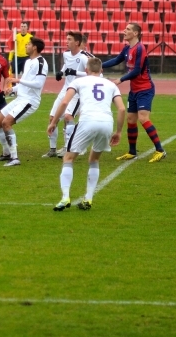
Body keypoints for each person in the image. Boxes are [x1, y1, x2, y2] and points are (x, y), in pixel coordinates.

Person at [48, 57, 126, 211]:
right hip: (106, 123)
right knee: (94, 159)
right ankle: (88, 199)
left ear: (86, 70)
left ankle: (65, 198)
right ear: (102, 70)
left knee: (68, 158)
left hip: (87, 120)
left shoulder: (78, 81)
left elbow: (64, 102)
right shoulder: (111, 85)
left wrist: (54, 122)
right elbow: (122, 109)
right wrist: (118, 132)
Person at [102, 23, 166, 163]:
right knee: (131, 119)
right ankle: (132, 151)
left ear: (136, 33)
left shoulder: (140, 48)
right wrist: (99, 65)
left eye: (128, 29)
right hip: (134, 90)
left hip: (145, 89)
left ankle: (160, 150)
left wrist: (120, 79)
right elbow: (116, 60)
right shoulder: (127, 48)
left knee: (143, 118)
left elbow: (137, 70)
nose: (124, 31)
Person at [0, 37, 47, 167]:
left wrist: (18, 81)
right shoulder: (28, 62)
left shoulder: (41, 63)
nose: (26, 46)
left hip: (30, 101)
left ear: (34, 47)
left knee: (6, 123)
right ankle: (6, 153)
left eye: (28, 44)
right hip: (21, 98)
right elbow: (25, 84)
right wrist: (13, 89)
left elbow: (38, 84)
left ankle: (15, 157)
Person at [43, 32, 89, 158]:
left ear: (77, 43)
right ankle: (52, 149)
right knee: (53, 118)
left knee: (68, 117)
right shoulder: (66, 54)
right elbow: (66, 65)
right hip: (65, 89)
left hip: (77, 93)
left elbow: (94, 74)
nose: (66, 41)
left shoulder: (84, 57)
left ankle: (69, 147)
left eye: (69, 39)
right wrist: (61, 72)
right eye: (66, 39)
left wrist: (76, 72)